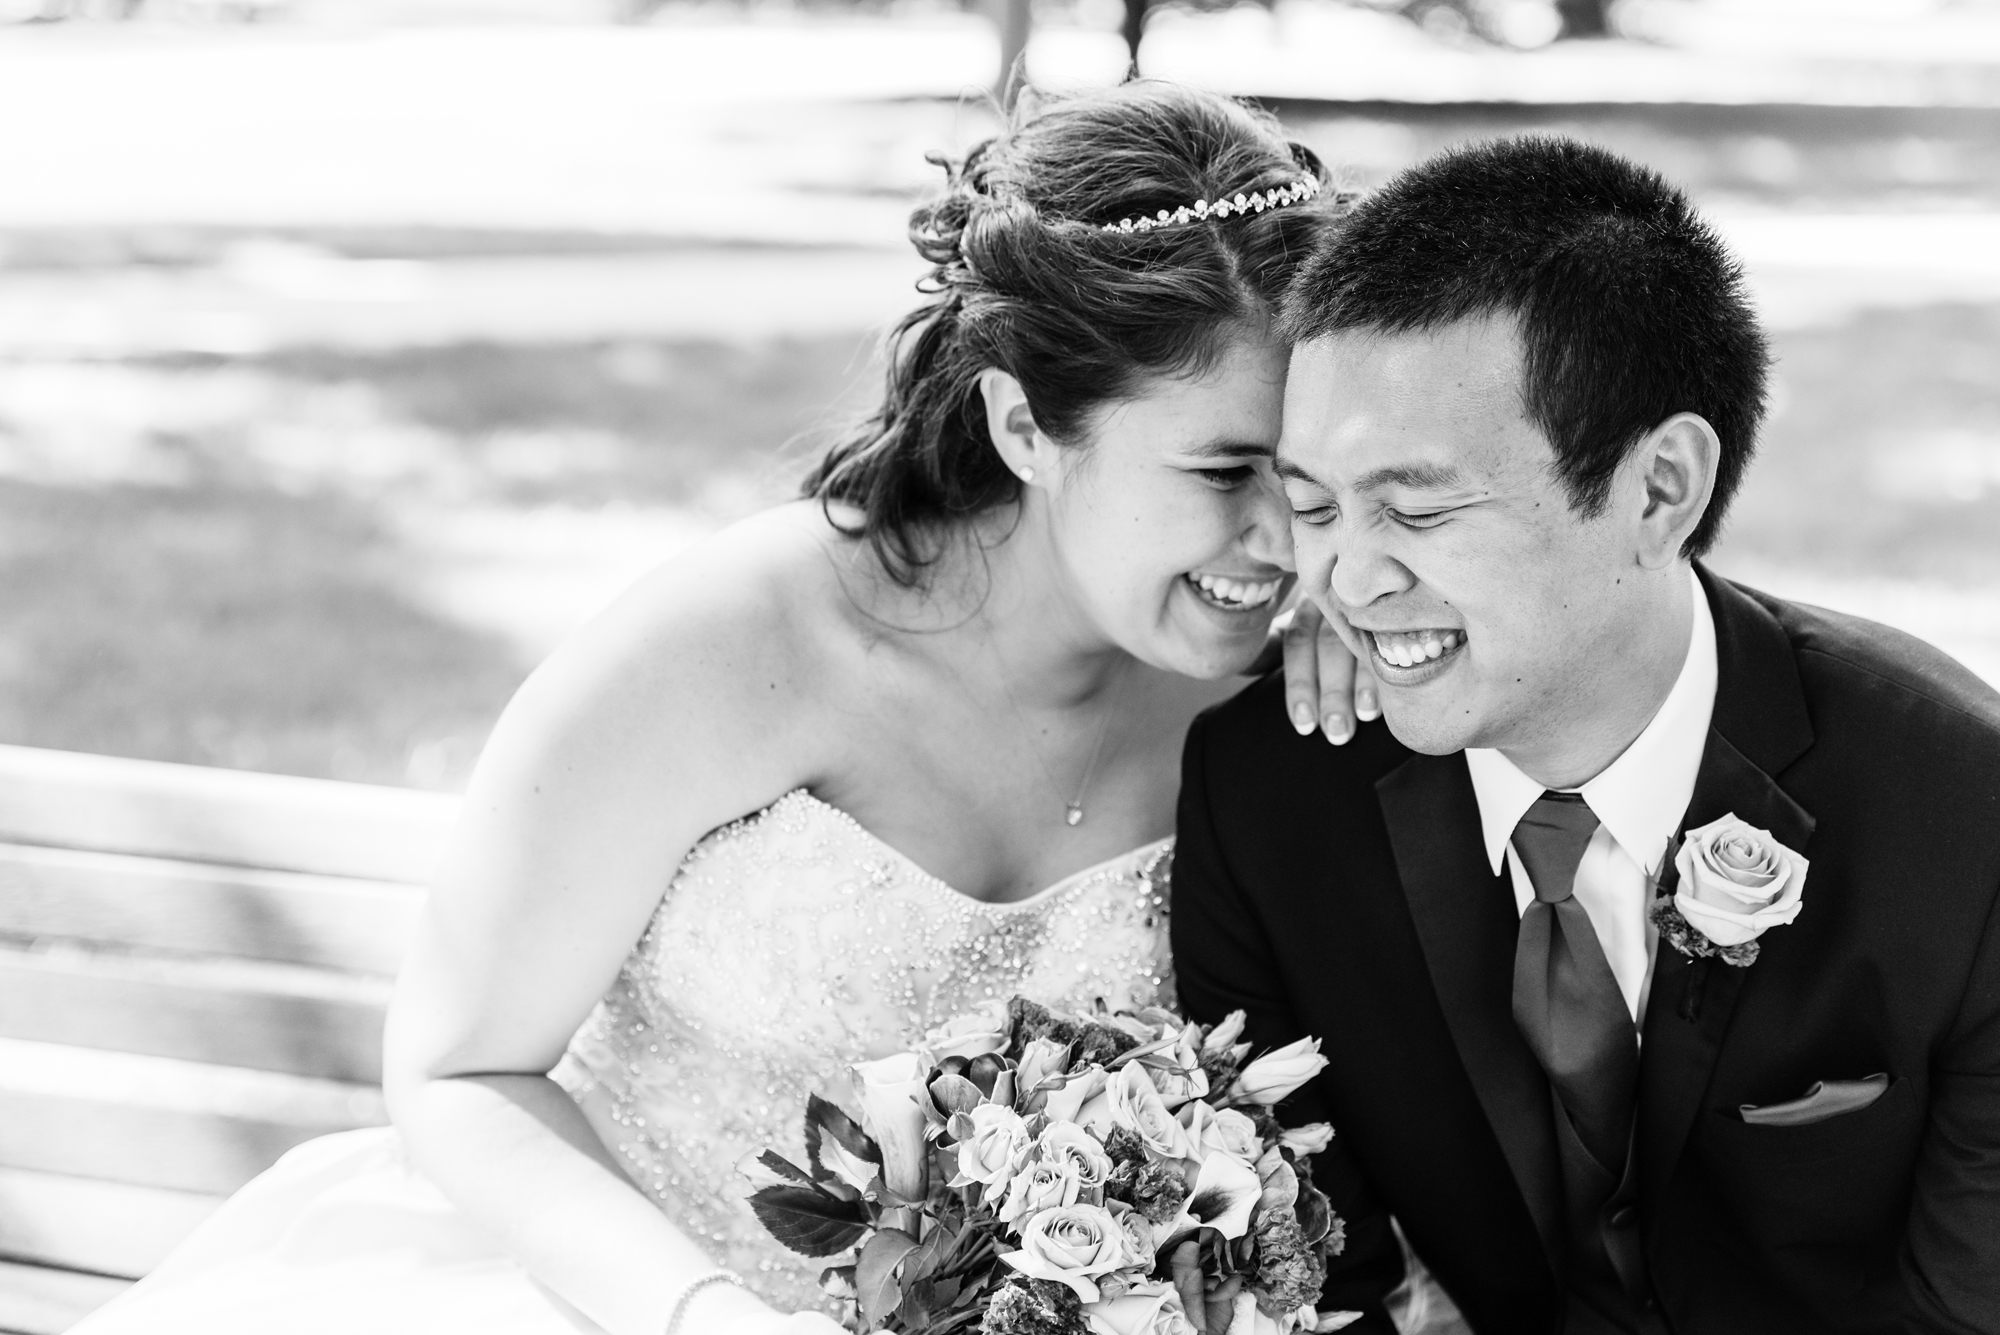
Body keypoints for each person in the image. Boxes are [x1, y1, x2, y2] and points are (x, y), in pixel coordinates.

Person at [72, 82, 1373, 1335]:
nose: (1280, 535)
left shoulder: (1291, 692)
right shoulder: (735, 643)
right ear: (1025, 425)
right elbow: (461, 1069)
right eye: (1223, 469)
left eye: (1310, 473)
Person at [1173, 134, 2000, 1334]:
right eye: (1311, 505)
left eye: (1417, 506)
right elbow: (1314, 1289)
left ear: (1658, 489)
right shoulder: (1267, 796)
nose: (1345, 581)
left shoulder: (1959, 811)